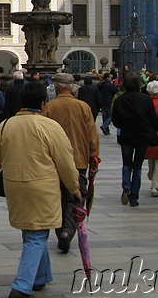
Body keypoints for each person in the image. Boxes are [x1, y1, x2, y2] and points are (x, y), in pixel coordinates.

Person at [0, 81, 81, 298]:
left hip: (15, 185)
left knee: (32, 230)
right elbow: (65, 161)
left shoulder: (7, 125)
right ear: (43, 103)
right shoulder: (49, 126)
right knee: (37, 235)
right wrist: (74, 187)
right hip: (43, 186)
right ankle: (21, 286)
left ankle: (40, 276)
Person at [43, 72, 99, 253]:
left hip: (56, 161)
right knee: (76, 197)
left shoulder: (50, 107)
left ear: (57, 87)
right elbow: (92, 135)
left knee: (59, 196)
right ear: (72, 87)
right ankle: (68, 231)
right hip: (79, 159)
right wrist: (94, 156)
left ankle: (61, 232)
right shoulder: (83, 107)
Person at [112, 73, 158, 207]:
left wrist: (123, 124)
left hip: (127, 135)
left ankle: (126, 185)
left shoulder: (120, 99)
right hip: (142, 135)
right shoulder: (145, 99)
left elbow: (115, 120)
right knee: (137, 166)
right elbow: (154, 120)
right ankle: (134, 197)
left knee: (126, 164)